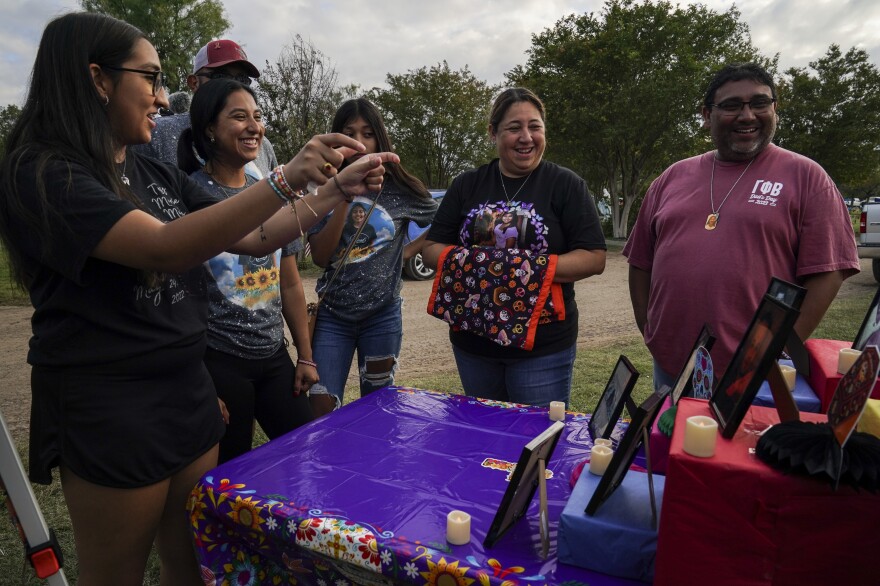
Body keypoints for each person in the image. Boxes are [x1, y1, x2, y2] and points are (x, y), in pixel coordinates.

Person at [0, 12, 396, 584]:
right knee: (116, 573)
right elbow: (164, 248)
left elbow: (256, 237)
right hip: (114, 407)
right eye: (151, 79)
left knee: (194, 563)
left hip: (186, 395)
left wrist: (335, 188)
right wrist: (283, 178)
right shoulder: (44, 172)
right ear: (98, 79)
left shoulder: (150, 170)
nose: (163, 98)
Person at [623, 63, 860, 389]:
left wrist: (775, 351)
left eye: (760, 103)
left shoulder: (806, 177)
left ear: (774, 108)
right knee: (670, 439)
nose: (747, 115)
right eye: (732, 105)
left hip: (753, 374)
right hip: (671, 365)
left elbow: (828, 272)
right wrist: (647, 325)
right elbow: (640, 261)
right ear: (707, 115)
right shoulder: (672, 178)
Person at [423, 87, 607, 407]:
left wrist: (522, 268)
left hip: (543, 348)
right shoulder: (467, 184)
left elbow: (593, 257)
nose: (526, 137)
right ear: (493, 133)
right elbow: (431, 247)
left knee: (535, 443)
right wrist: (483, 262)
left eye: (534, 126)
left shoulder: (566, 185)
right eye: (514, 128)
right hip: (473, 343)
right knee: (487, 441)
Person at [177, 79, 316, 464]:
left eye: (257, 116)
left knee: (306, 455)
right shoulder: (188, 194)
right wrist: (200, 382)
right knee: (231, 474)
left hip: (274, 359)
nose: (254, 126)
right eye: (239, 117)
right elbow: (180, 299)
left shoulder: (269, 191)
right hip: (217, 362)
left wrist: (305, 356)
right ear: (209, 128)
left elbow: (289, 282)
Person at [307, 98, 438, 412]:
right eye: (349, 133)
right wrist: (342, 193)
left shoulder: (401, 189)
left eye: (367, 133)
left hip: (382, 316)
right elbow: (321, 258)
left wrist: (407, 252)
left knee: (379, 409)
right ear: (336, 139)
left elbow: (442, 219)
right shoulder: (320, 187)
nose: (359, 143)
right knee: (321, 408)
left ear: (380, 138)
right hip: (332, 317)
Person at [131, 38, 278, 177]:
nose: (234, 87)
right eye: (221, 77)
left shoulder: (261, 144)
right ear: (194, 83)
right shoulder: (156, 134)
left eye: (242, 80)